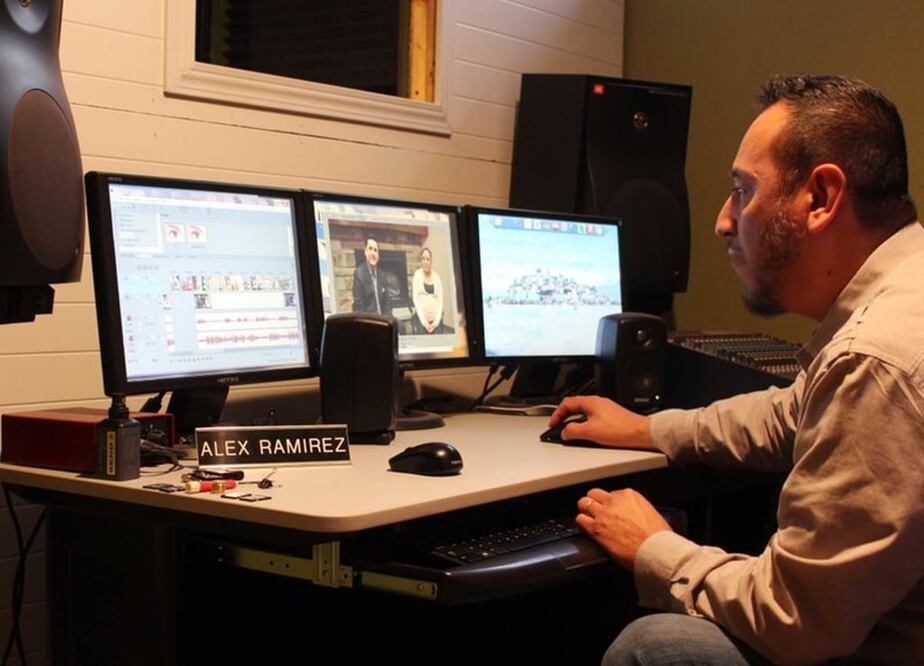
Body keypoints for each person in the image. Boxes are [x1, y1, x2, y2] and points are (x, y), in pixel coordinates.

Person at [550, 74, 924, 664]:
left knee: (656, 647)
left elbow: (796, 620)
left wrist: (656, 548)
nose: (725, 220)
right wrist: (646, 430)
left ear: (822, 198)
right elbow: (790, 413)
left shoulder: (874, 359)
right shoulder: (905, 295)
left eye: (743, 191)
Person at [351, 236, 394, 315]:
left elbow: (387, 302)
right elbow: (359, 307)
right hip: (369, 321)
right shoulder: (358, 275)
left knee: (400, 325)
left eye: (375, 250)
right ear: (365, 252)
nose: (373, 253)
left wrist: (387, 321)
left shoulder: (382, 275)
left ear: (378, 255)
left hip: (383, 320)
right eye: (370, 249)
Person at [411, 247, 444, 333]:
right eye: (423, 259)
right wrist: (424, 322)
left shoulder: (437, 278)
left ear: (431, 261)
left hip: (436, 322)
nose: (426, 262)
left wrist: (436, 322)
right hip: (422, 322)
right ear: (421, 261)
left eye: (428, 259)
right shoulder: (417, 275)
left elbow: (440, 302)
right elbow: (415, 299)